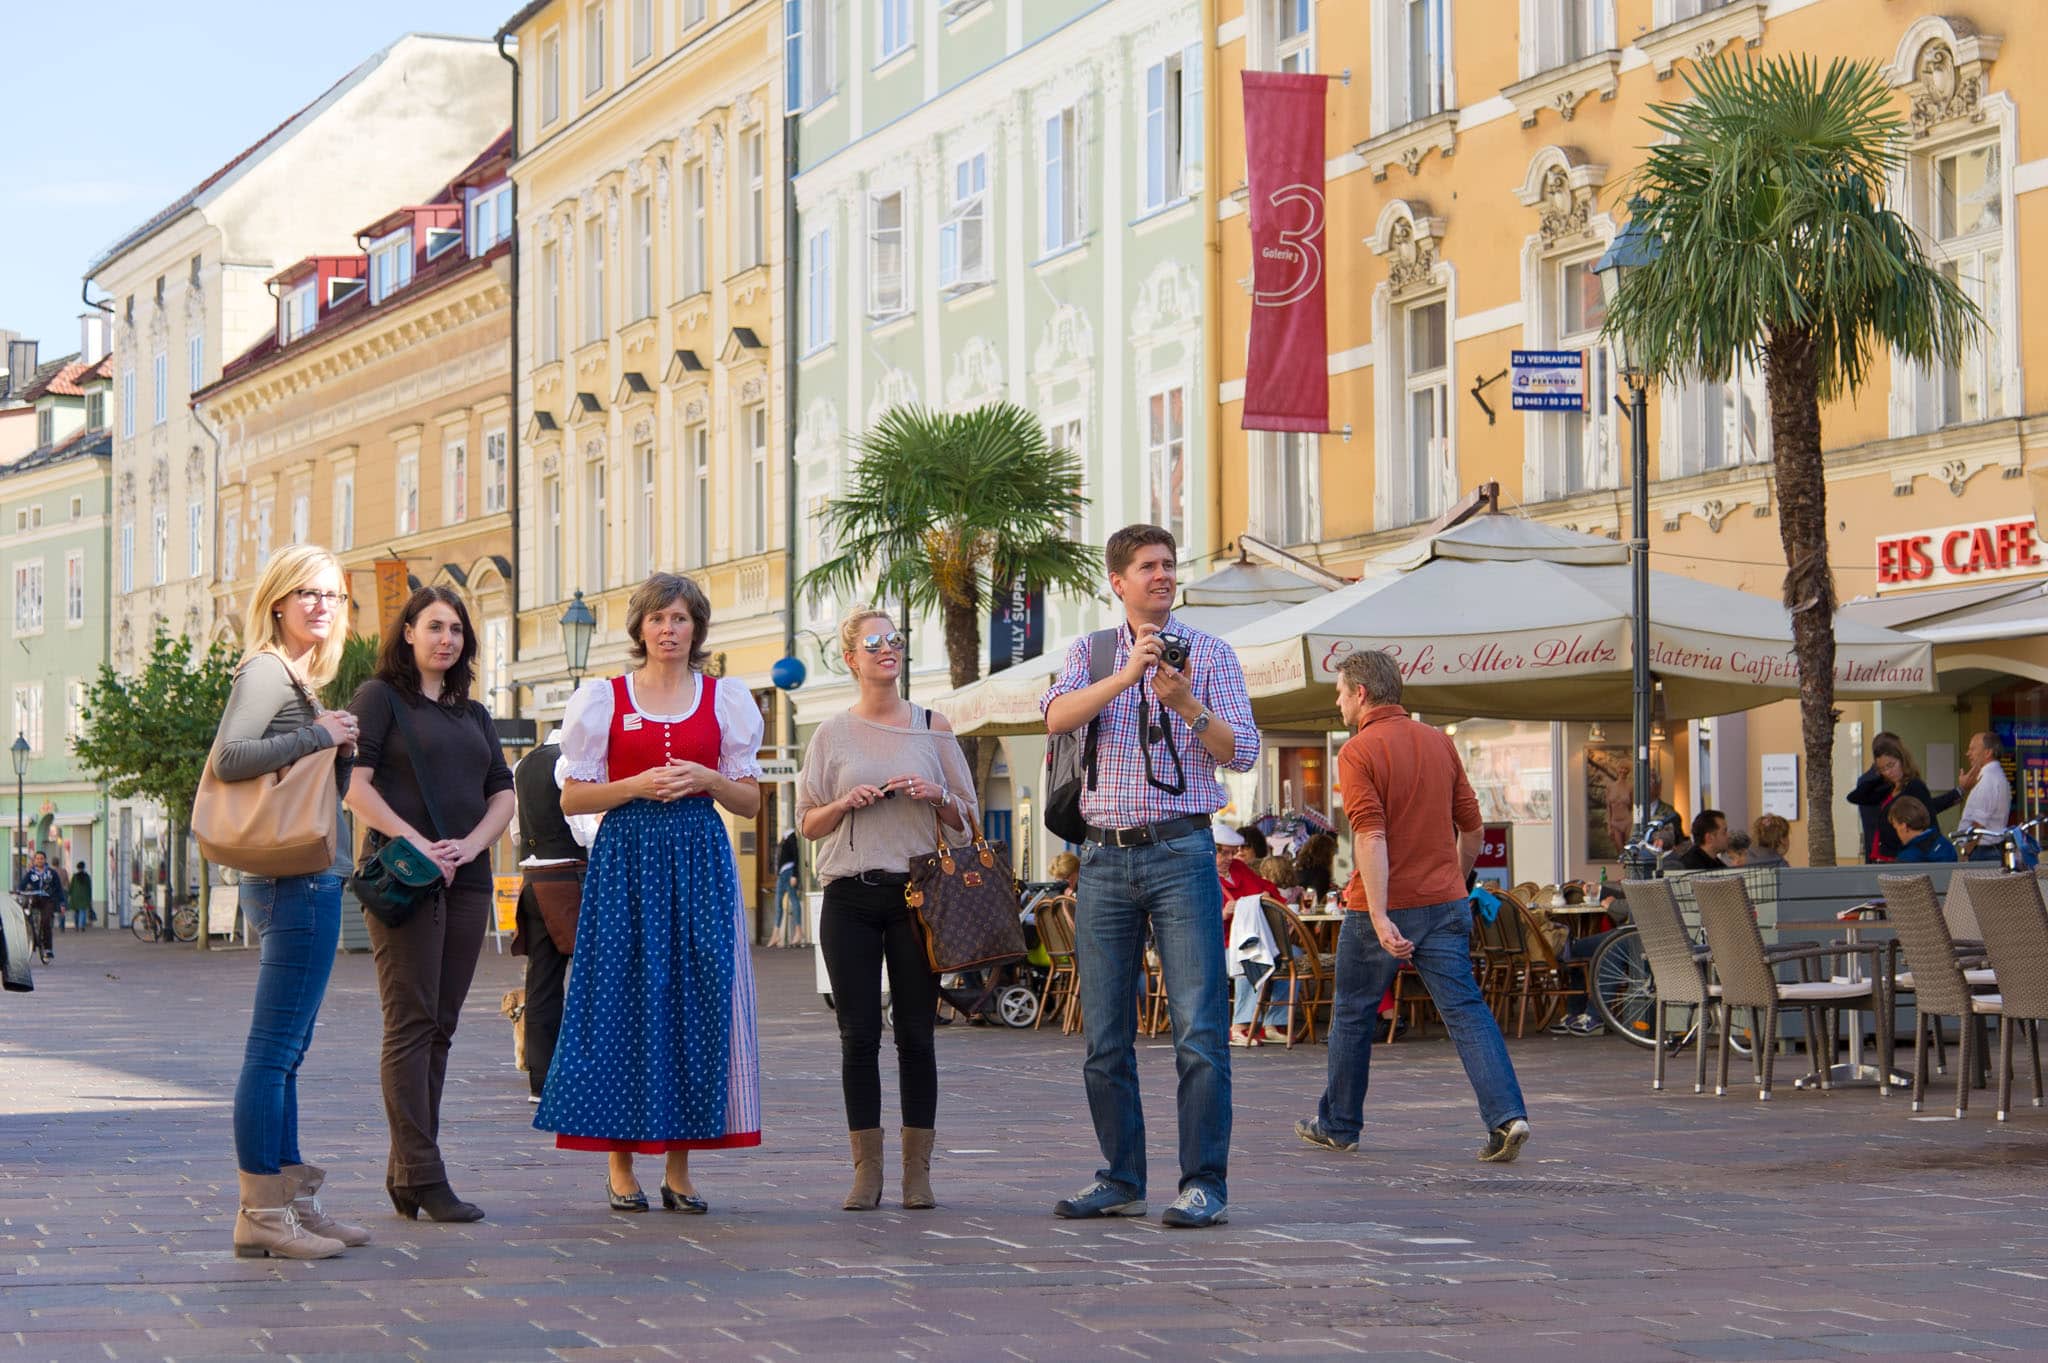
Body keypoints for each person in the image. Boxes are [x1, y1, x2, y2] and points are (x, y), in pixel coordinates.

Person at [1041, 523, 1258, 1230]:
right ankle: (1121, 1176)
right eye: (1147, 566)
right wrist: (1127, 676)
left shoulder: (1213, 654)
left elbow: (1245, 753)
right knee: (1105, 1033)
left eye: (1168, 564)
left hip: (1180, 851)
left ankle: (1204, 1183)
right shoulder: (1092, 652)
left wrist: (1185, 703)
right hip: (1102, 857)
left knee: (1199, 1027)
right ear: (1118, 581)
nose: (1162, 575)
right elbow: (1055, 719)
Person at [536, 573, 764, 1216]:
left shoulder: (725, 699)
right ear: (639, 628)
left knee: (697, 997)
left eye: (682, 619)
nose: (670, 629)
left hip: (697, 854)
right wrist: (633, 786)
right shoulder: (602, 699)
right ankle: (619, 1164)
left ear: (697, 629)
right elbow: (573, 796)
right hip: (627, 857)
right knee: (622, 998)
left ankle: (681, 1166)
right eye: (659, 618)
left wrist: (708, 777)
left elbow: (749, 801)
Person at [1296, 650, 1530, 1163]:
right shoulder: (1438, 743)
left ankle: (1339, 1124)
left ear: (1361, 693)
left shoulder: (1358, 752)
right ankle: (1507, 1117)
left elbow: (1371, 834)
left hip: (1382, 903)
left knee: (1354, 1014)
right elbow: (1473, 828)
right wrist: (1456, 877)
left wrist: (1379, 913)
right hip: (1445, 900)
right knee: (1466, 1010)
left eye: (1339, 692)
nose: (1336, 701)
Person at [208, 544, 365, 1260]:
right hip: (291, 881)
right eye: (306, 592)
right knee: (271, 1054)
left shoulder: (296, 677)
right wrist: (320, 733)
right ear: (277, 600)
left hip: (306, 876)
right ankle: (261, 1216)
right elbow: (230, 757)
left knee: (289, 1053)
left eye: (332, 594)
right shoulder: (268, 670)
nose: (321, 605)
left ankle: (294, 1206)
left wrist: (326, 736)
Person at [797, 606, 976, 1211]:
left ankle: (917, 1173)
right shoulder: (830, 734)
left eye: (895, 639)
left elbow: (967, 820)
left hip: (916, 896)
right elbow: (808, 824)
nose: (887, 648)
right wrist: (845, 802)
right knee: (857, 1034)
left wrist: (938, 794)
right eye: (874, 642)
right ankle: (865, 1171)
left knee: (917, 1035)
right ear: (851, 659)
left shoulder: (933, 725)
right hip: (849, 895)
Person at [346, 586, 516, 1224]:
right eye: (435, 627)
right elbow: (355, 790)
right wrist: (422, 844)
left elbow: (502, 791)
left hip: (466, 880)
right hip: (406, 878)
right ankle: (424, 1171)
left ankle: (406, 1172)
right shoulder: (380, 698)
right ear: (409, 632)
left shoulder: (474, 715)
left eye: (457, 630)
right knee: (410, 1024)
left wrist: (469, 847)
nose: (447, 639)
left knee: (440, 1027)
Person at [511, 729, 591, 1106]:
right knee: (597, 977)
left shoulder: (522, 765)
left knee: (541, 981)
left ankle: (540, 1078)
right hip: (572, 878)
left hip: (534, 879)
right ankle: (588, 1070)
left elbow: (515, 833)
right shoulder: (570, 760)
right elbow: (585, 827)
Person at [1847, 734, 1955, 863]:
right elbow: (1855, 797)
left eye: (1891, 765)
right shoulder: (1888, 788)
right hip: (1881, 856)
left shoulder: (1914, 786)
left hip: (1901, 856)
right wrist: (1880, 777)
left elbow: (1929, 819)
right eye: (1883, 769)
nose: (1888, 772)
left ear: (1902, 760)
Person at [1953, 731, 2012, 862]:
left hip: (1982, 852)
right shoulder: (1994, 776)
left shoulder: (1988, 780)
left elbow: (1979, 824)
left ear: (1988, 753)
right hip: (1988, 849)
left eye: (1973, 749)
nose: (1968, 753)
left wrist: (1966, 852)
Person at [16, 851, 60, 964]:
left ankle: (47, 949)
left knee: (45, 921)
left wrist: (62, 903)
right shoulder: (31, 873)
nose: (39, 860)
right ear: (34, 860)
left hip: (47, 900)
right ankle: (30, 930)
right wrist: (18, 891)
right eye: (37, 858)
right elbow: (22, 884)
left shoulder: (51, 873)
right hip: (35, 898)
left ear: (45, 860)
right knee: (25, 911)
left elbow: (58, 888)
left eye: (41, 858)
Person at [1890, 797, 1958, 864]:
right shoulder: (1946, 845)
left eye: (1896, 828)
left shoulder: (1906, 858)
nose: (1897, 834)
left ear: (1904, 826)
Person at [768, 828, 804, 947]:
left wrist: (795, 875)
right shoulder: (784, 838)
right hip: (782, 875)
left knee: (794, 901)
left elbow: (796, 857)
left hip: (788, 873)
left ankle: (798, 932)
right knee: (778, 903)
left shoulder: (791, 837)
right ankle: (776, 934)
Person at [1296, 832, 1338, 904]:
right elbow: (1320, 900)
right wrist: (1333, 891)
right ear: (1326, 854)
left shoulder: (1299, 869)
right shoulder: (1322, 873)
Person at [68, 861, 93, 931]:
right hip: (84, 896)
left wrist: (69, 895)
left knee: (76, 912)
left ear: (77, 868)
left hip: (75, 896)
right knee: (83, 911)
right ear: (84, 868)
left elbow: (71, 886)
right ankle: (81, 925)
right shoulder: (87, 876)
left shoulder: (75, 876)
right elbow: (89, 887)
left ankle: (76, 926)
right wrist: (90, 897)